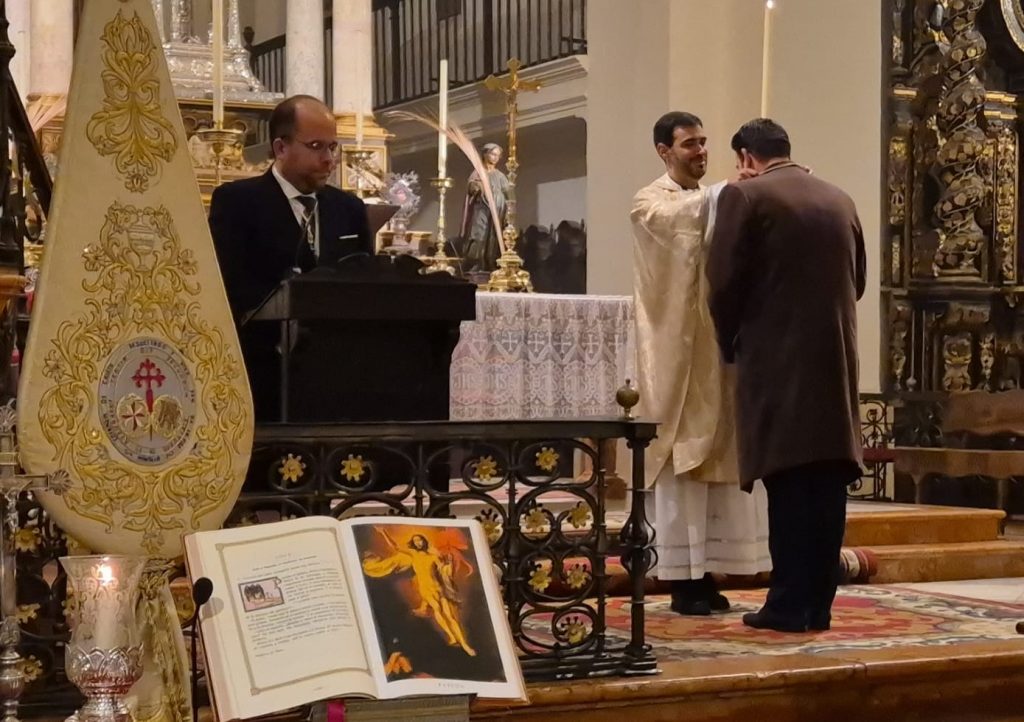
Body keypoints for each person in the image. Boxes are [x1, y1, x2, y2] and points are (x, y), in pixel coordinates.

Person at [707, 118, 865, 633]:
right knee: (827, 488)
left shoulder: (745, 196)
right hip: (835, 363)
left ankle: (787, 605)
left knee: (789, 482)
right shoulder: (839, 198)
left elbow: (723, 283)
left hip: (777, 361)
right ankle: (818, 605)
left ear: (747, 158)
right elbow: (858, 280)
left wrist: (729, 343)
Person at [630, 111, 770, 616]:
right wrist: (727, 194)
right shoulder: (649, 201)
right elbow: (677, 224)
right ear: (664, 151)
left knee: (720, 463)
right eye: (690, 143)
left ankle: (708, 572)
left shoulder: (713, 199)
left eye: (704, 142)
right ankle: (681, 578)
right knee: (683, 464)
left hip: (718, 350)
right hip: (677, 356)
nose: (701, 151)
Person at [209, 94, 372, 420]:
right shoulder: (238, 202)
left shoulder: (349, 209)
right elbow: (228, 287)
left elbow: (367, 282)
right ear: (281, 148)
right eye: (316, 147)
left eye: (333, 147)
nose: (329, 159)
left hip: (337, 376)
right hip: (264, 373)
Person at [361, 530, 477, 656]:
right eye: (416, 540)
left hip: (438, 587)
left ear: (424, 541)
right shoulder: (413, 554)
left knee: (450, 616)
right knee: (437, 611)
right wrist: (384, 532)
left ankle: (465, 645)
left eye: (420, 540)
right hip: (426, 589)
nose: (418, 542)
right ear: (413, 543)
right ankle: (451, 636)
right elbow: (395, 547)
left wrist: (448, 563)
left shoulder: (433, 556)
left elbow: (444, 572)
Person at [460, 142, 510, 273]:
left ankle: (490, 262)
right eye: (493, 154)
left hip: (498, 211)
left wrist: (508, 210)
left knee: (493, 236)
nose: (495, 157)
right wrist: (477, 187)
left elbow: (508, 195)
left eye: (498, 155)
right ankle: (476, 262)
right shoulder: (478, 173)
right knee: (478, 234)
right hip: (481, 209)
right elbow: (471, 188)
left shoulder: (500, 176)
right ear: (485, 154)